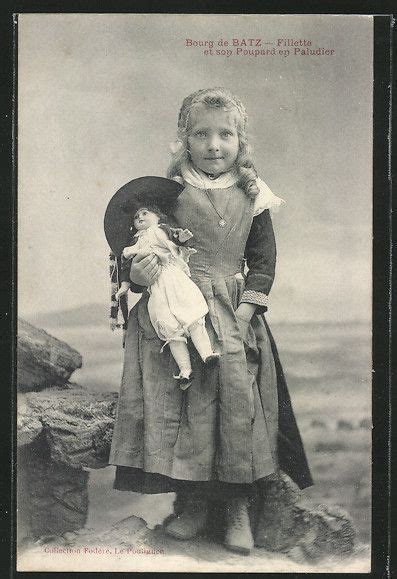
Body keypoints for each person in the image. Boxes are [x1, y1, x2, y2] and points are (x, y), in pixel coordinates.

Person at [108, 87, 312, 554]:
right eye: (201, 134)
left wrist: (244, 312)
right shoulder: (165, 195)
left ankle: (238, 509)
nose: (213, 145)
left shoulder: (252, 194)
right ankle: (194, 504)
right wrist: (137, 277)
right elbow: (137, 254)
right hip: (175, 308)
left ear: (241, 141)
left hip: (232, 312)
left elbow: (263, 261)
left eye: (225, 134)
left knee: (236, 408)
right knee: (187, 412)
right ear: (184, 139)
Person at [115, 201, 220, 389]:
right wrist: (125, 285)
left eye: (144, 213)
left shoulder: (161, 230)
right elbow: (126, 266)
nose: (139, 217)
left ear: (157, 216)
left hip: (173, 278)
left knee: (191, 316)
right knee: (169, 326)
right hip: (156, 287)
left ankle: (207, 354)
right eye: (136, 217)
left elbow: (175, 238)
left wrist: (182, 238)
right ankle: (185, 371)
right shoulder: (134, 243)